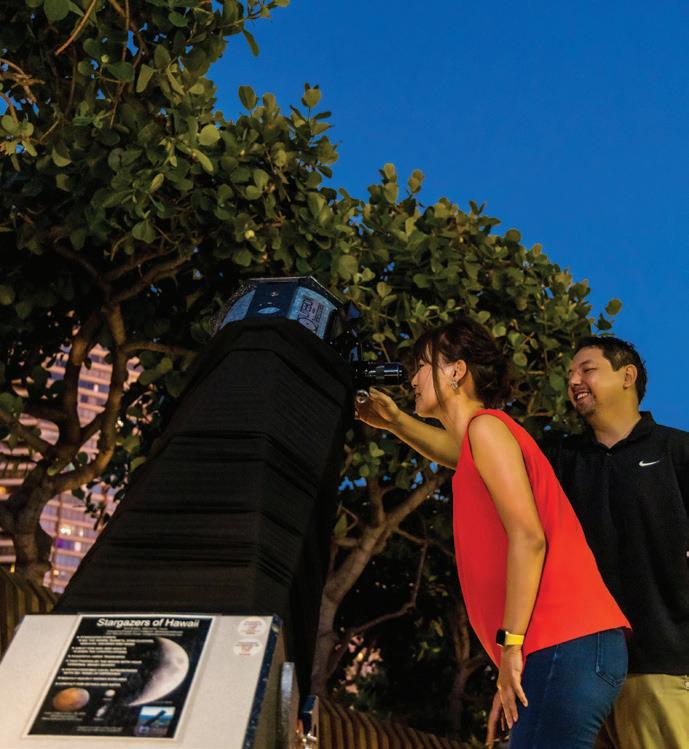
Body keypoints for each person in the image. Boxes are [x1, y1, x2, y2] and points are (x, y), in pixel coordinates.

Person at [355, 317, 629, 748]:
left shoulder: (487, 428)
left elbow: (529, 538)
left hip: (564, 643)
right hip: (561, 649)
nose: (412, 378)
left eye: (421, 366)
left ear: (456, 371)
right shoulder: (483, 438)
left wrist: (511, 648)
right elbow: (455, 451)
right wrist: (393, 422)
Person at [547, 336, 689, 749]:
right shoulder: (561, 458)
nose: (574, 380)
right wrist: (397, 422)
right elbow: (482, 456)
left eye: (587, 369)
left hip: (661, 668)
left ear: (627, 376)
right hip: (578, 672)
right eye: (570, 374)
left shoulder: (677, 450)